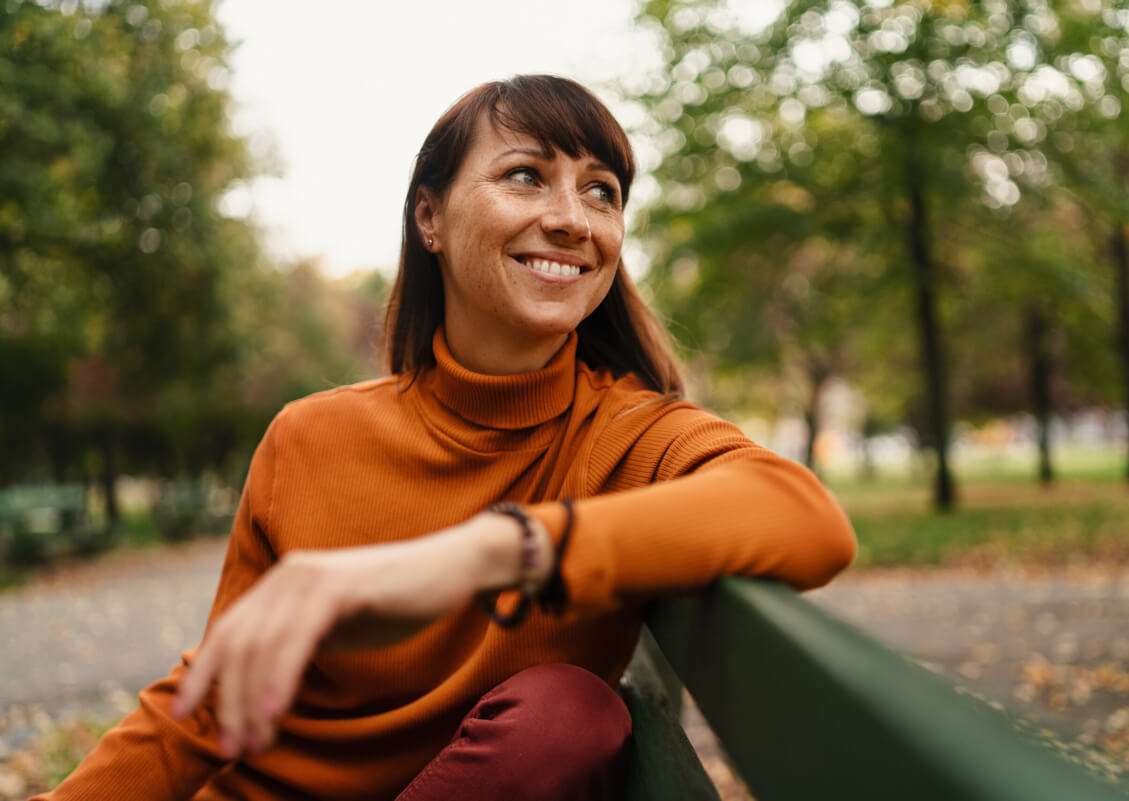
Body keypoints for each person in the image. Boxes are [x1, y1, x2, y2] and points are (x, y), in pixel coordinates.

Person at [33, 74, 856, 801]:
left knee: (569, 713)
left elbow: (805, 519)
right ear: (429, 216)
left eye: (601, 191)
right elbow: (207, 703)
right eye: (526, 176)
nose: (572, 219)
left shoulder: (629, 434)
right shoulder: (311, 437)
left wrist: (483, 554)